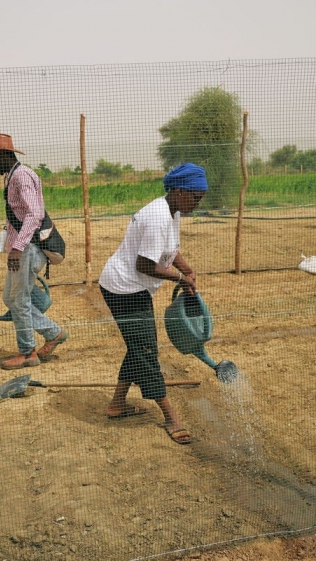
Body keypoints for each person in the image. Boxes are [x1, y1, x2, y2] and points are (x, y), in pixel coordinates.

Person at [98, 163, 207, 445]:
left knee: (138, 346)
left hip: (133, 287)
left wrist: (188, 270)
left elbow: (170, 251)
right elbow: (145, 264)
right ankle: (171, 416)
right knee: (146, 351)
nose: (198, 203)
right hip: (124, 289)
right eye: (196, 197)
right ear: (180, 191)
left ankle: (117, 404)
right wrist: (179, 280)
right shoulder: (158, 216)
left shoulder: (172, 210)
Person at [0, 133, 68, 370]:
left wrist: (17, 248)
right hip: (21, 247)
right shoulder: (12, 176)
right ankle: (54, 332)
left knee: (19, 299)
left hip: (27, 248)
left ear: (5, 155)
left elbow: (34, 214)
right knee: (11, 298)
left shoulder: (22, 176)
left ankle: (28, 352)